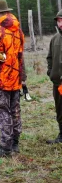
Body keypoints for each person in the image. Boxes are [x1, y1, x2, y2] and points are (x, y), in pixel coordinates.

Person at [0, 0, 26, 157]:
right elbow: (20, 54)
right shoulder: (18, 30)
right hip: (15, 78)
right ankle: (15, 143)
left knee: (2, 112)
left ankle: (5, 147)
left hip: (0, 79)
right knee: (15, 111)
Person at [45, 9, 62, 144]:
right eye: (59, 21)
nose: (60, 24)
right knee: (60, 110)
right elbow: (50, 57)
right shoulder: (54, 39)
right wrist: (50, 72)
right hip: (57, 83)